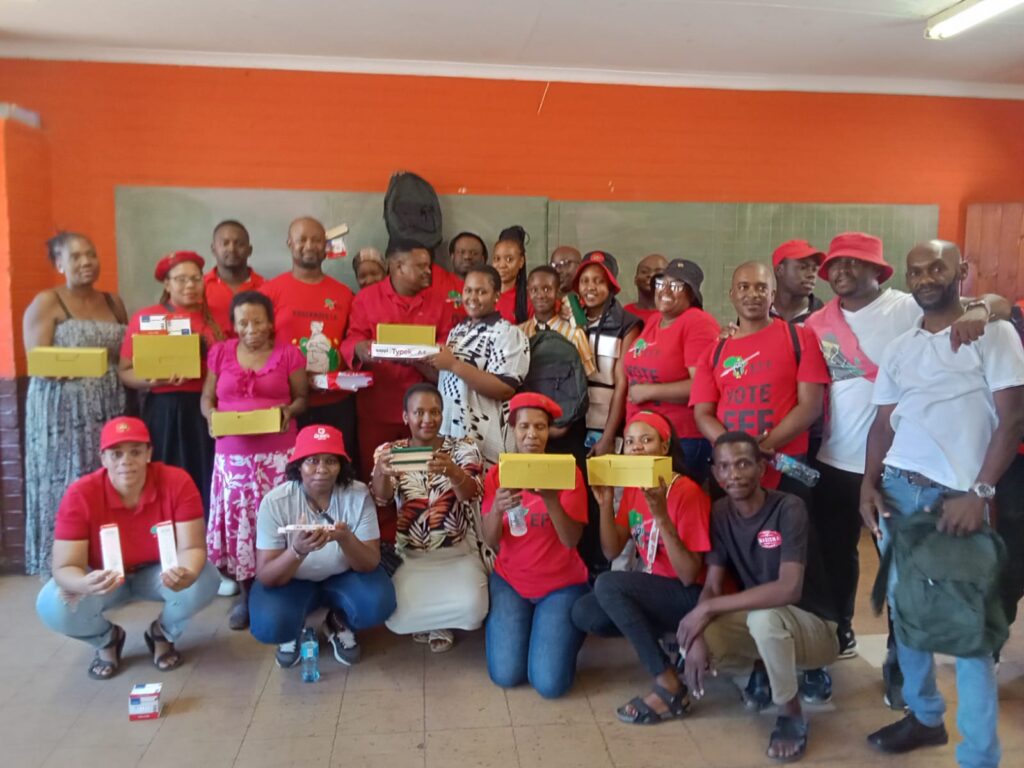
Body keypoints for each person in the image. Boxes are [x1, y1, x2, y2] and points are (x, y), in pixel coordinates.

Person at [805, 232, 1009, 685]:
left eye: (852, 263)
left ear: (876, 269)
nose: (841, 272)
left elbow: (994, 303)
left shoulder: (907, 306)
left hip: (922, 472)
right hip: (842, 459)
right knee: (844, 561)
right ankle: (843, 635)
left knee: (926, 586)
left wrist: (981, 309)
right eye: (834, 265)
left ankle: (904, 668)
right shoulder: (818, 321)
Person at [859, 240, 1024, 768]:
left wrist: (980, 491)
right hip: (897, 493)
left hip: (956, 499)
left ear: (961, 272)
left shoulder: (993, 333)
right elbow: (884, 422)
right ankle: (925, 717)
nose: (926, 277)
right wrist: (868, 484)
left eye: (937, 267)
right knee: (907, 616)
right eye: (916, 271)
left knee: (967, 629)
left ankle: (979, 756)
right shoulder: (902, 346)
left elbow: (1012, 418)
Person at [678, 432, 839, 762]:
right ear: (715, 473)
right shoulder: (721, 512)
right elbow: (711, 584)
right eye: (723, 467)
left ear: (762, 469)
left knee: (764, 619)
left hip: (815, 629)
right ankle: (761, 667)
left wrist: (709, 607)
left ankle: (791, 713)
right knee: (705, 631)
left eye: (742, 464)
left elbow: (788, 589)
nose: (733, 474)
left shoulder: (788, 507)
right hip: (768, 622)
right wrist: (696, 629)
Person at [35, 417, 219, 679]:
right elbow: (64, 566)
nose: (126, 461)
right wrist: (85, 583)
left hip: (158, 573)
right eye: (116, 454)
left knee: (205, 578)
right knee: (52, 603)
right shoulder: (81, 494)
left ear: (148, 453)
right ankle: (107, 639)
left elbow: (192, 547)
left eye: (135, 451)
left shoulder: (177, 482)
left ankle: (162, 633)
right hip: (104, 578)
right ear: (103, 458)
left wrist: (186, 571)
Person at [571, 411, 711, 724]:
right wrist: (606, 504)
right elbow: (612, 548)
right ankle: (668, 639)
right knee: (584, 611)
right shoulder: (635, 487)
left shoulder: (686, 492)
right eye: (630, 442)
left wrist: (661, 516)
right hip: (656, 586)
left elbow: (690, 575)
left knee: (608, 584)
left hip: (690, 594)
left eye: (646, 440)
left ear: (664, 446)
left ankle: (667, 681)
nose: (636, 448)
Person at [22, 232, 128, 577]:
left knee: (107, 482)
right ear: (59, 264)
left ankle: (106, 561)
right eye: (76, 256)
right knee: (66, 484)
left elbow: (125, 355)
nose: (86, 262)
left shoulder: (114, 303)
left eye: (92, 255)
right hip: (62, 412)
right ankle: (64, 567)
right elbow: (36, 360)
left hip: (110, 407)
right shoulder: (47, 302)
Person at [201, 291, 309, 630]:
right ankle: (248, 596)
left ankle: (286, 589)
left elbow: (302, 397)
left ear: (270, 322)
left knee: (280, 522)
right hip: (233, 460)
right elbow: (207, 397)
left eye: (258, 321)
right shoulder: (219, 354)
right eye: (243, 321)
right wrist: (211, 417)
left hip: (279, 457)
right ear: (233, 324)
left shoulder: (288, 354)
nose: (251, 328)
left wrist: (287, 411)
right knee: (241, 528)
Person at [250, 424, 396, 668]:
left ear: (341, 466)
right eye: (312, 461)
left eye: (331, 461)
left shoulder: (357, 494)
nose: (322, 470)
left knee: (378, 603)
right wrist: (297, 551)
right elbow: (266, 575)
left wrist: (346, 538)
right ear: (298, 466)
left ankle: (336, 619)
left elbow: (370, 561)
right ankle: (298, 625)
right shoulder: (275, 502)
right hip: (292, 581)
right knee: (269, 625)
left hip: (343, 576)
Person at [481, 393, 590, 699]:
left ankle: (563, 629)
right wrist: (498, 510)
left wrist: (552, 499)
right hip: (511, 582)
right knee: (506, 675)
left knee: (550, 684)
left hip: (561, 585)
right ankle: (533, 630)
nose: (532, 435)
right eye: (524, 427)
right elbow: (491, 540)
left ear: (549, 431)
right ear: (512, 429)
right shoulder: (497, 474)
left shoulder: (567, 473)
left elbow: (571, 540)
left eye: (540, 427)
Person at [341, 239, 460, 510]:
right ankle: (381, 542)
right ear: (397, 266)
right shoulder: (365, 299)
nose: (429, 272)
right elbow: (351, 342)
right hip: (377, 409)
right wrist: (361, 349)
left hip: (425, 415)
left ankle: (422, 533)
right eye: (421, 267)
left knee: (423, 479)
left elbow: (446, 356)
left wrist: (419, 360)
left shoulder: (441, 304)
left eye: (428, 266)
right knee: (378, 477)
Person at [371, 383, 488, 653]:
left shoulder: (462, 448)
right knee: (397, 620)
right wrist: (381, 472)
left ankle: (435, 623)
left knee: (474, 610)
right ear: (405, 417)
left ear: (443, 414)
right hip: (411, 554)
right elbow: (382, 499)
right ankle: (435, 620)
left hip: (457, 553)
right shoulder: (390, 451)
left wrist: (453, 472)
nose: (427, 419)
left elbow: (471, 495)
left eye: (435, 412)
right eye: (419, 412)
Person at [119, 251, 224, 516]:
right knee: (166, 473)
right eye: (180, 280)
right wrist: (150, 379)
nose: (189, 285)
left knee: (206, 471)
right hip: (164, 408)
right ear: (167, 284)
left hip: (207, 407)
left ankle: (204, 535)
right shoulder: (148, 318)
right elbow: (125, 372)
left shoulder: (218, 319)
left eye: (195, 278)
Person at [261, 217, 356, 462]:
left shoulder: (344, 294)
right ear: (289, 243)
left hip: (335, 403)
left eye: (317, 240)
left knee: (336, 473)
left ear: (326, 245)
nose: (310, 245)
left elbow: (351, 342)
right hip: (287, 405)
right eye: (302, 239)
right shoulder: (268, 293)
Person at [624, 258, 720, 482]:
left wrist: (649, 392)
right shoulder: (656, 320)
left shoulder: (697, 322)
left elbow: (702, 385)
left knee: (673, 504)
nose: (665, 291)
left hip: (680, 439)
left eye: (676, 286)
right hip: (642, 437)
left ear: (692, 293)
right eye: (661, 284)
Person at [430, 265, 530, 465]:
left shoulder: (508, 333)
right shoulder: (457, 331)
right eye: (468, 290)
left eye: (481, 291)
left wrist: (453, 364)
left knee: (488, 494)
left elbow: (505, 388)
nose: (472, 297)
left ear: (496, 296)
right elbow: (450, 381)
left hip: (486, 441)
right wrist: (417, 360)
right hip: (452, 435)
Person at [575, 250, 643, 457]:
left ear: (611, 286)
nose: (591, 287)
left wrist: (608, 436)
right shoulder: (570, 319)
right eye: (585, 281)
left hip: (605, 422)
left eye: (599, 281)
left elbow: (623, 383)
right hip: (571, 421)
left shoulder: (627, 324)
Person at [519, 265, 596, 377]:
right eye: (534, 290)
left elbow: (587, 375)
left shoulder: (574, 334)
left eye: (547, 289)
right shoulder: (520, 332)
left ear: (557, 291)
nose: (540, 295)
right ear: (528, 292)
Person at [204, 220, 264, 334]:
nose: (232, 249)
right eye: (225, 243)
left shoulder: (267, 288)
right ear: (213, 249)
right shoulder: (198, 289)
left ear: (249, 250)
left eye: (239, 244)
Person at [770, 240, 824, 324]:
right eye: (803, 267)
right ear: (779, 270)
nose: (812, 275)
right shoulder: (757, 314)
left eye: (814, 269)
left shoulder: (824, 318)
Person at [491, 225, 532, 324]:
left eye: (509, 259)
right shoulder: (484, 294)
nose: (502, 265)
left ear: (521, 261)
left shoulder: (530, 299)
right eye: (497, 259)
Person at [623, 253, 668, 324]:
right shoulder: (625, 313)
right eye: (644, 271)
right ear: (635, 279)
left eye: (658, 272)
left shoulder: (674, 314)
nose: (651, 275)